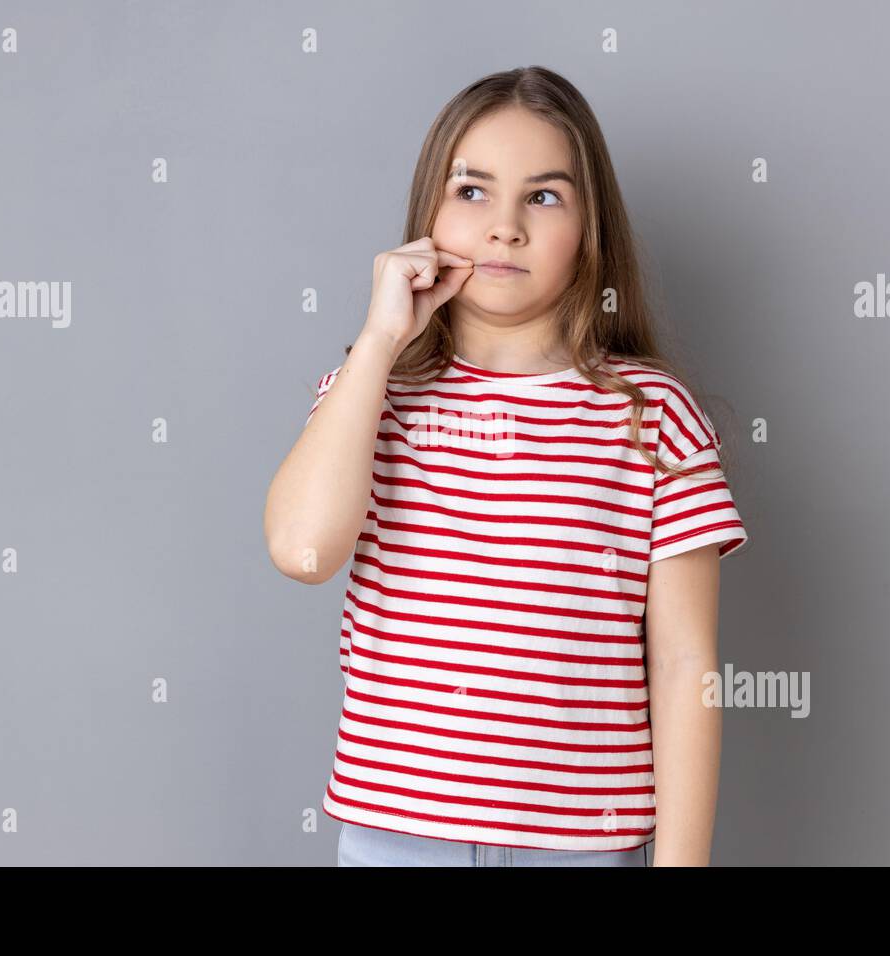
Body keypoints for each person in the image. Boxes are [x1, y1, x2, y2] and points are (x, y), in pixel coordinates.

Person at [264, 65, 748, 867]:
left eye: (544, 197)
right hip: (396, 840)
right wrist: (380, 342)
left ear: (592, 229)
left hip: (585, 849)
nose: (505, 228)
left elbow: (686, 663)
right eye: (473, 192)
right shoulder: (368, 395)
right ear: (429, 216)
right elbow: (300, 550)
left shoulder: (651, 415)